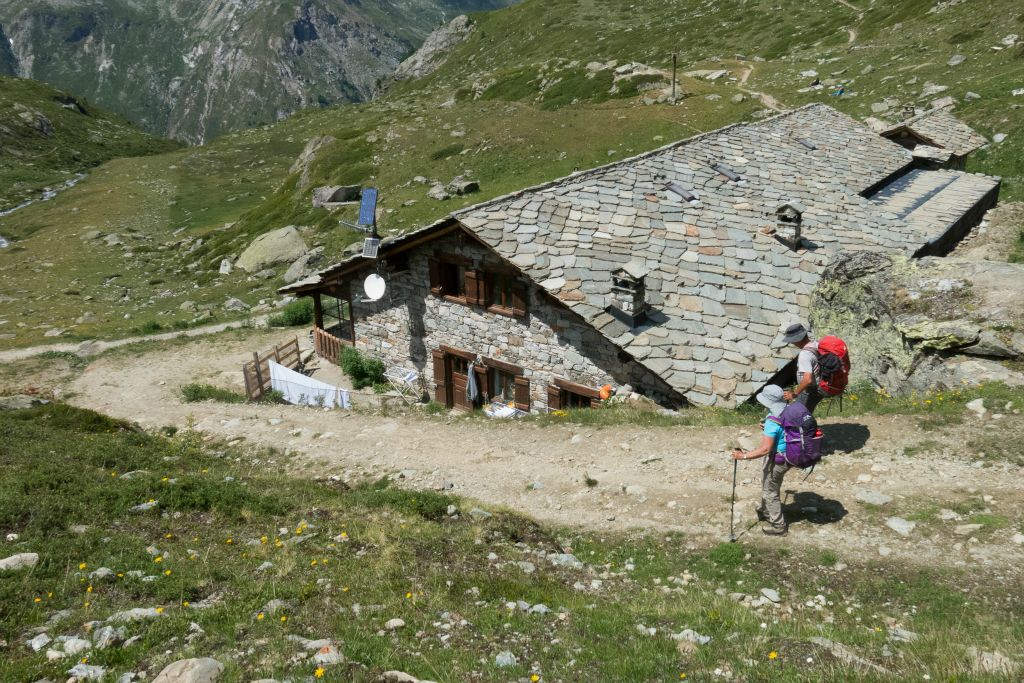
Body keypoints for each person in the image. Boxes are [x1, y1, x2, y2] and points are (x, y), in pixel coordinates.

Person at [732, 385, 791, 536]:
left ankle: (779, 526)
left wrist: (743, 456)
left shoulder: (772, 421)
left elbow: (765, 449)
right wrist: (767, 427)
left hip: (778, 458)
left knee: (770, 490)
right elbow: (783, 430)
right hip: (788, 454)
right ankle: (766, 511)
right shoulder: (787, 410)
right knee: (770, 484)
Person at [779, 322, 824, 415]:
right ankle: (807, 427)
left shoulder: (805, 354)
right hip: (820, 387)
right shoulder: (816, 344)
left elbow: (807, 380)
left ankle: (807, 429)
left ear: (796, 340)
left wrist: (794, 394)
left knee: (797, 416)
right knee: (804, 415)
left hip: (810, 390)